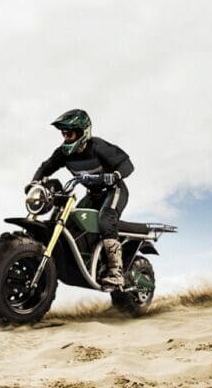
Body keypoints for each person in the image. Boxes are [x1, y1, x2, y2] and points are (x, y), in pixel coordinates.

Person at [28, 109, 134, 290]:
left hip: (114, 190)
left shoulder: (99, 147)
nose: (66, 137)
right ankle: (87, 259)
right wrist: (34, 183)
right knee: (72, 221)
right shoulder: (63, 153)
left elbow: (127, 165)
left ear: (83, 132)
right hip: (93, 194)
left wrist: (115, 175)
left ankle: (116, 272)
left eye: (69, 133)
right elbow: (46, 167)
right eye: (63, 133)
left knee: (105, 220)